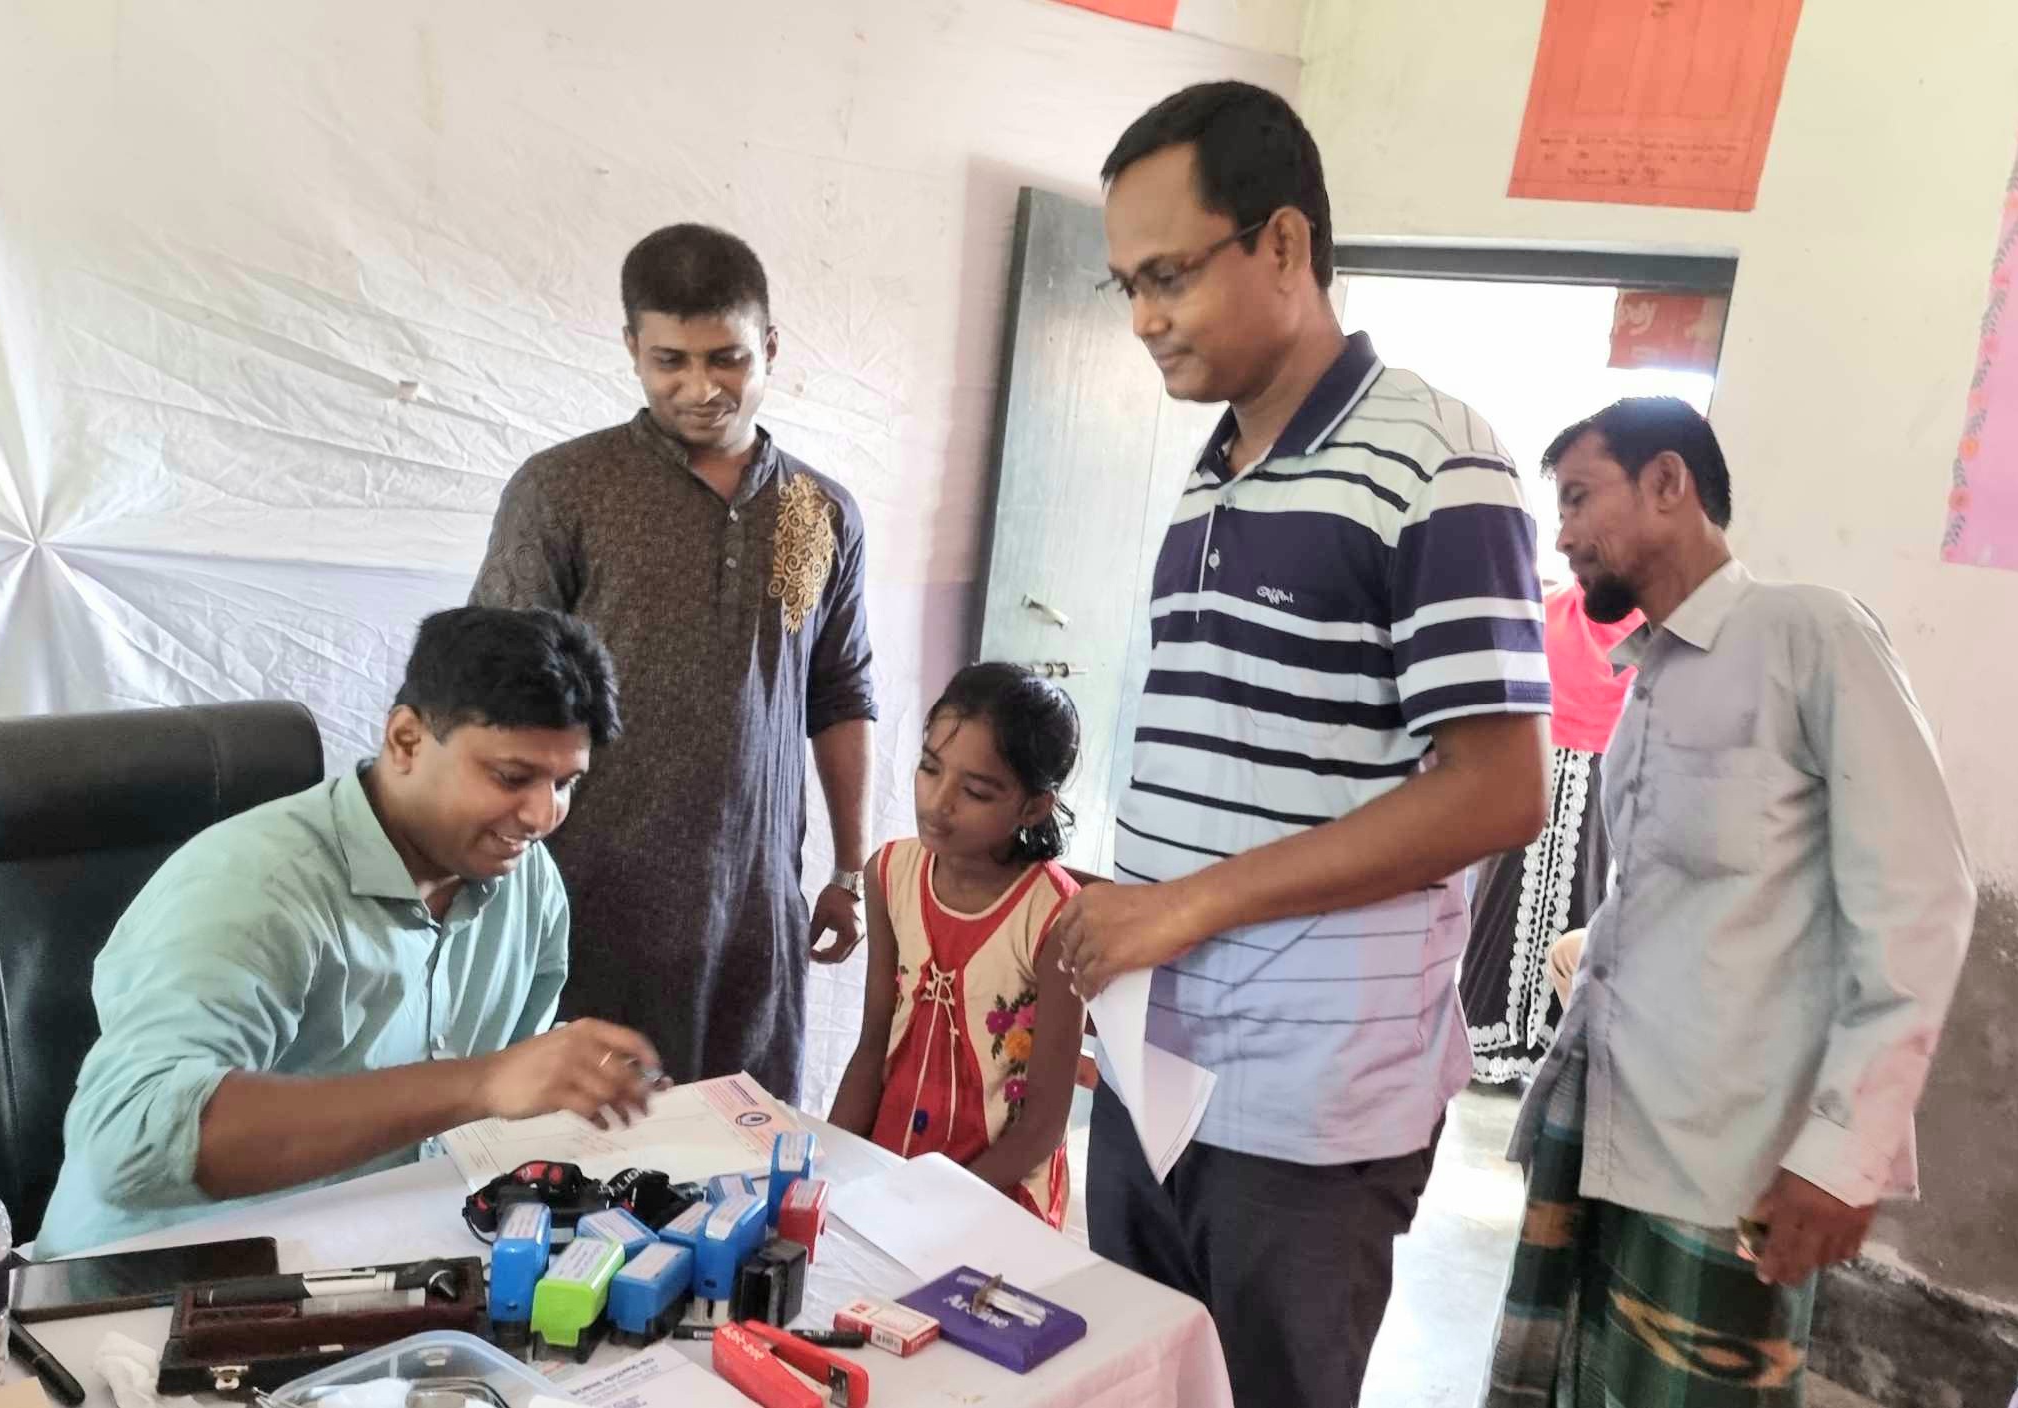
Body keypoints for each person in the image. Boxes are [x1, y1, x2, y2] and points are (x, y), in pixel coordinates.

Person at [1051, 82, 1554, 1407]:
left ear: (1281, 244)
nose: (1146, 318)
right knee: (1148, 1381)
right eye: (1125, 286)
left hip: (1310, 1111)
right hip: (1160, 1063)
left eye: (1169, 274)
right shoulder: (1214, 470)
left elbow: (1504, 790)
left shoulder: (1435, 463)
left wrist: (1191, 905)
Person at [1483, 398, 1977, 1407]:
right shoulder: (1647, 684)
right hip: (1608, 1126)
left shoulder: (1808, 637)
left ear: (1667, 483)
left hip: (1726, 1164)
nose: (1563, 534)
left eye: (1578, 497)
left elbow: (1918, 900)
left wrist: (1846, 1151)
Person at [37, 607, 651, 1256]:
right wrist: (481, 1082)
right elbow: (127, 1143)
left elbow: (493, 1087)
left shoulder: (528, 884)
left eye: (565, 782)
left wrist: (567, 1079)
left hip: (363, 1261)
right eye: (511, 776)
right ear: (406, 741)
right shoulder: (251, 888)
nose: (543, 814)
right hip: (136, 1295)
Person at [472, 224, 876, 1102]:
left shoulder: (819, 512)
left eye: (727, 358)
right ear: (631, 350)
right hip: (589, 905)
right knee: (582, 1165)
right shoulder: (563, 492)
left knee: (742, 1148)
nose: (701, 388)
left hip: (754, 915)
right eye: (669, 361)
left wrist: (849, 871)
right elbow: (489, 693)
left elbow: (840, 696)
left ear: (768, 346)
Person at [827, 664, 1083, 1226]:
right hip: (889, 1167)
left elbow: (1042, 1127)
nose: (938, 802)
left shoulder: (1055, 918)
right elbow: (873, 1046)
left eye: (974, 791)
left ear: (1033, 807)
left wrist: (937, 1202)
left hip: (997, 1193)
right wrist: (830, 1170)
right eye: (929, 768)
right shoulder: (889, 873)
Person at [1461, 580, 1640, 1083]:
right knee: (1503, 895)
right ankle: (1487, 1039)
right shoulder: (1546, 607)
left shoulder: (1647, 621)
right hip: (1532, 758)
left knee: (1580, 897)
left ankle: (1554, 1049)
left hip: (1596, 769)